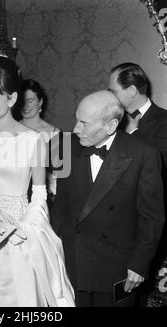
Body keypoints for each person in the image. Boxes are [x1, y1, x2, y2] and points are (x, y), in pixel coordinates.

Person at [0, 56, 75, 307]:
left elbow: (39, 196)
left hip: (18, 232)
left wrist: (24, 228)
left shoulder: (33, 141)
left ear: (11, 98)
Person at [50, 90, 165, 307]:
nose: (75, 129)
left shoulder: (144, 154)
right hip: (74, 262)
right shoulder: (66, 146)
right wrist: (57, 249)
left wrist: (139, 264)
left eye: (84, 123)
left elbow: (152, 218)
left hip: (120, 270)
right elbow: (61, 205)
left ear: (111, 126)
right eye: (76, 120)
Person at [108, 63, 167, 306]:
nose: (111, 96)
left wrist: (133, 136)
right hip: (121, 228)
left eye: (114, 91)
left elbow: (160, 168)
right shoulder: (114, 123)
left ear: (131, 90)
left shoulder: (164, 121)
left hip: (154, 226)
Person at [19, 79, 61, 202]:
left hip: (42, 196)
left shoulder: (54, 132)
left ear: (40, 102)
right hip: (14, 195)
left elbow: (60, 175)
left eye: (30, 101)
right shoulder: (10, 131)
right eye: (22, 101)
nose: (26, 106)